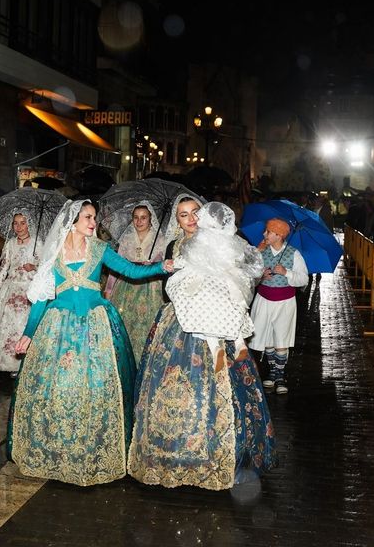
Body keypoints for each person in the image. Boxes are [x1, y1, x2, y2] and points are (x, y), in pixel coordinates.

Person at [8, 199, 173, 486]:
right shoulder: (55, 254)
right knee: (59, 386)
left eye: (93, 217)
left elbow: (132, 272)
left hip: (97, 325)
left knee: (98, 385)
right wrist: (29, 333)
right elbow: (41, 299)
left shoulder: (100, 249)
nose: (93, 222)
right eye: (87, 217)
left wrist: (162, 266)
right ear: (72, 222)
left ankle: (92, 445)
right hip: (58, 326)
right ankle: (59, 446)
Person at [129, 201, 277, 490]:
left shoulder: (221, 239)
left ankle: (223, 452)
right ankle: (176, 453)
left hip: (219, 315)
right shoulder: (176, 245)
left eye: (195, 212)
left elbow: (243, 271)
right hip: (181, 317)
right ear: (177, 220)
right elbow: (169, 283)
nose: (190, 219)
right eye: (183, 215)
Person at [249, 218, 310, 395]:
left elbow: (303, 279)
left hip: (284, 302)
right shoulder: (260, 251)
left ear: (279, 235)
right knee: (266, 336)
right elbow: (248, 275)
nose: (264, 234)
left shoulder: (293, 254)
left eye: (268, 231)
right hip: (263, 299)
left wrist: (286, 272)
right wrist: (261, 276)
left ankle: (280, 375)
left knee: (281, 338)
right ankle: (272, 372)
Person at [104, 202, 166, 360]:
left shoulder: (160, 237)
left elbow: (165, 261)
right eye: (136, 217)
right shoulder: (127, 237)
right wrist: (109, 289)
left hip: (151, 284)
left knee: (147, 323)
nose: (139, 221)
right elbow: (117, 265)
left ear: (150, 219)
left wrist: (155, 262)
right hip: (127, 284)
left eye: (143, 218)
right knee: (126, 323)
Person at [0, 211, 38, 375]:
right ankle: (9, 363)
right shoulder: (10, 244)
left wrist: (34, 267)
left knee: (23, 325)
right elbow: (3, 269)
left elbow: (46, 269)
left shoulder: (37, 244)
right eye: (15, 223)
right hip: (10, 288)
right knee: (6, 324)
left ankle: (23, 364)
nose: (19, 227)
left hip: (29, 289)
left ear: (29, 225)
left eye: (22, 223)